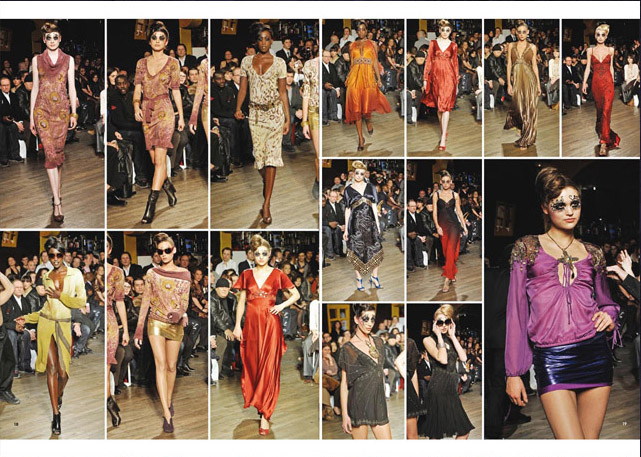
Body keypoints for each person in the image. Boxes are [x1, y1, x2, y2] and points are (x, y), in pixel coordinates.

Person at [505, 167, 620, 439]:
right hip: (553, 358)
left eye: (575, 204)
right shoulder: (527, 248)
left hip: (595, 353)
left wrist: (610, 314)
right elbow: (516, 313)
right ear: (545, 207)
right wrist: (514, 372)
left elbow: (606, 302)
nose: (570, 211)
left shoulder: (593, 253)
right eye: (560, 205)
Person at [232, 234, 300, 435]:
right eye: (257, 254)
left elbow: (296, 294)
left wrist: (281, 305)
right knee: (253, 366)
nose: (261, 257)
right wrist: (237, 326)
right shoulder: (246, 274)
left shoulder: (278, 274)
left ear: (270, 255)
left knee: (269, 368)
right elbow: (241, 302)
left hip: (271, 325)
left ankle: (266, 415)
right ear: (252, 255)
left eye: (264, 253)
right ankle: (260, 404)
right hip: (252, 326)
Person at [19, 237, 87, 435]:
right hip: (46, 324)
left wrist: (61, 296)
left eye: (58, 254)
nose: (55, 259)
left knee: (63, 374)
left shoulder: (75, 274)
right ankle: (56, 415)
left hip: (64, 325)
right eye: (51, 255)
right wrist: (26, 317)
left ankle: (59, 394)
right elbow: (46, 308)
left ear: (64, 254)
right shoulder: (47, 276)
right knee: (51, 369)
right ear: (48, 256)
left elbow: (80, 301)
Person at [133, 233, 191, 433]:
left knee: (172, 366)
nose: (164, 254)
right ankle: (166, 413)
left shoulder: (184, 274)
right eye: (160, 251)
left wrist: (180, 313)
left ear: (174, 250)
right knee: (161, 364)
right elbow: (145, 301)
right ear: (157, 253)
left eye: (167, 250)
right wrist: (139, 330)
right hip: (155, 321)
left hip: (175, 324)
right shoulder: (152, 273)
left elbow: (185, 301)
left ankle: (168, 399)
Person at [234, 22, 290, 225]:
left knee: (271, 159)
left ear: (272, 40)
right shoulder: (246, 62)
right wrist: (238, 108)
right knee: (259, 158)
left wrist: (287, 118)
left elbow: (282, 92)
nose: (264, 42)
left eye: (267, 39)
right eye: (260, 39)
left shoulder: (279, 63)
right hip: (255, 116)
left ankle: (266, 204)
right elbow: (243, 89)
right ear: (256, 41)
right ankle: (268, 185)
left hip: (275, 114)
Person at [133, 21, 184, 224]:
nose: (157, 41)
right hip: (147, 111)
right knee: (156, 162)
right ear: (149, 40)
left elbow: (176, 91)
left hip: (164, 111)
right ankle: (168, 186)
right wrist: (136, 106)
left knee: (161, 161)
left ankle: (150, 206)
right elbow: (137, 88)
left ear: (166, 41)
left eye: (161, 38)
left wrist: (180, 116)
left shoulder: (173, 62)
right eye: (154, 37)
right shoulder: (141, 63)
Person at [30, 23, 78, 222]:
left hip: (62, 113)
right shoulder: (36, 60)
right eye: (48, 37)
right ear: (44, 39)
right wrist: (32, 117)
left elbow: (72, 87)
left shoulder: (69, 60)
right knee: (50, 154)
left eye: (55, 37)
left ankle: (56, 192)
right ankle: (57, 202)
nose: (51, 41)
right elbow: (35, 88)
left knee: (57, 154)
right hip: (42, 111)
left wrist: (74, 113)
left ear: (60, 39)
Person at [420, 305, 474, 439]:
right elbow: (443, 360)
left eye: (447, 321)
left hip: (451, 388)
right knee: (436, 434)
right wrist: (439, 336)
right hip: (438, 387)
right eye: (440, 322)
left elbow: (463, 358)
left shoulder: (450, 339)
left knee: (464, 431)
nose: (444, 325)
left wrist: (453, 336)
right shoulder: (428, 340)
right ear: (434, 323)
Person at [339, 303, 391, 439]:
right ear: (356, 319)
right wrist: (345, 415)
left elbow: (380, 375)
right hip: (358, 403)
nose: (370, 323)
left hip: (378, 403)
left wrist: (384, 405)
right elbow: (344, 384)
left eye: (372, 319)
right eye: (365, 319)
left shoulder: (379, 342)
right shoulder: (348, 348)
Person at [345, 22, 391, 151]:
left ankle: (368, 120)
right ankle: (361, 139)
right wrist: (349, 77)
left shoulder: (373, 44)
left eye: (363, 29)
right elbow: (352, 63)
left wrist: (378, 78)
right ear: (356, 31)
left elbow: (375, 62)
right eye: (359, 30)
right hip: (355, 76)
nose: (361, 32)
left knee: (366, 103)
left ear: (366, 31)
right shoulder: (351, 45)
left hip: (368, 76)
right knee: (356, 107)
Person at [343, 160, 384, 291]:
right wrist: (346, 229)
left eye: (362, 173)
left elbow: (374, 206)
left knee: (376, 249)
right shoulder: (348, 190)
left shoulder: (371, 187)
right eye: (357, 173)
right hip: (356, 225)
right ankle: (359, 279)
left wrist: (378, 224)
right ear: (353, 174)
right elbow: (347, 210)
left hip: (370, 223)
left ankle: (374, 276)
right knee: (357, 251)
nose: (359, 176)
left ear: (365, 174)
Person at [581, 24, 620, 156]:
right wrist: (584, 82)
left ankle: (604, 142)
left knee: (606, 111)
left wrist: (613, 82)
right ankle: (602, 129)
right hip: (596, 84)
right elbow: (588, 68)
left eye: (603, 35)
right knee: (600, 111)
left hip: (608, 83)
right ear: (595, 36)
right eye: (598, 34)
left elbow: (611, 67)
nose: (600, 37)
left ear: (606, 36)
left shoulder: (611, 50)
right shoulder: (590, 51)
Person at [422, 20, 459, 151]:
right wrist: (425, 78)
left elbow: (455, 63)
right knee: (439, 107)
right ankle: (443, 130)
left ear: (450, 31)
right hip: (436, 77)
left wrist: (457, 81)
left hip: (449, 77)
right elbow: (428, 61)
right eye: (443, 30)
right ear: (439, 30)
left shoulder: (453, 45)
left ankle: (443, 137)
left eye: (447, 30)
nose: (445, 32)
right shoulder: (433, 43)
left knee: (446, 107)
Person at [504, 21, 540, 150]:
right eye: (519, 32)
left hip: (530, 80)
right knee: (518, 107)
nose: (521, 34)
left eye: (524, 32)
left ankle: (527, 138)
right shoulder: (511, 46)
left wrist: (538, 85)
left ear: (528, 32)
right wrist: (509, 84)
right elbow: (509, 64)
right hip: (517, 80)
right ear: (515, 33)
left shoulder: (533, 47)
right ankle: (523, 131)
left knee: (529, 108)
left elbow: (534, 66)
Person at [106, 235, 129, 427]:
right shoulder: (85, 272)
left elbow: (120, 301)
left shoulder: (117, 272)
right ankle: (110, 400)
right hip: (93, 317)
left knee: (106, 367)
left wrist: (126, 331)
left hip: (109, 322)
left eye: (106, 247)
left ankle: (110, 405)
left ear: (110, 250)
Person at [432, 171, 467, 293]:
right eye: (444, 181)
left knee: (451, 250)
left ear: (451, 182)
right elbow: (435, 212)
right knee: (447, 252)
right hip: (442, 226)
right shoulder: (436, 195)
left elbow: (459, 212)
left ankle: (447, 279)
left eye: (448, 181)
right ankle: (452, 271)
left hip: (454, 226)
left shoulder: (455, 195)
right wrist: (437, 226)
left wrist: (464, 226)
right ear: (441, 182)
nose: (446, 183)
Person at [302, 49, 320, 198]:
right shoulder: (309, 65)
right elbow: (306, 94)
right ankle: (318, 181)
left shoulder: (330, 62)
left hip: (328, 114)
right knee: (319, 155)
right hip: (315, 112)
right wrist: (304, 122)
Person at [0, 272, 19, 404]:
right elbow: (10, 288)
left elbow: (7, 287)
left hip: (1, 331)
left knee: (8, 361)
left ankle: (4, 390)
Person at [406, 338, 427, 439]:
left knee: (412, 436)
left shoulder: (410, 344)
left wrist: (417, 401)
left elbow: (414, 373)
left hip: (410, 394)